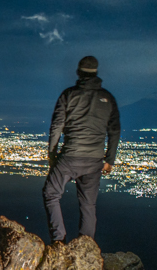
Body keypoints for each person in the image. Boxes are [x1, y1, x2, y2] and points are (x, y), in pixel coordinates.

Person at [42, 55, 121, 244]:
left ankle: (58, 239)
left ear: (78, 73)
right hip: (94, 160)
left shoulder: (68, 95)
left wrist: (52, 155)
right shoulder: (107, 98)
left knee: (51, 193)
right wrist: (109, 159)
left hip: (70, 156)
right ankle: (86, 246)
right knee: (88, 204)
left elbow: (56, 127)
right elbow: (115, 131)